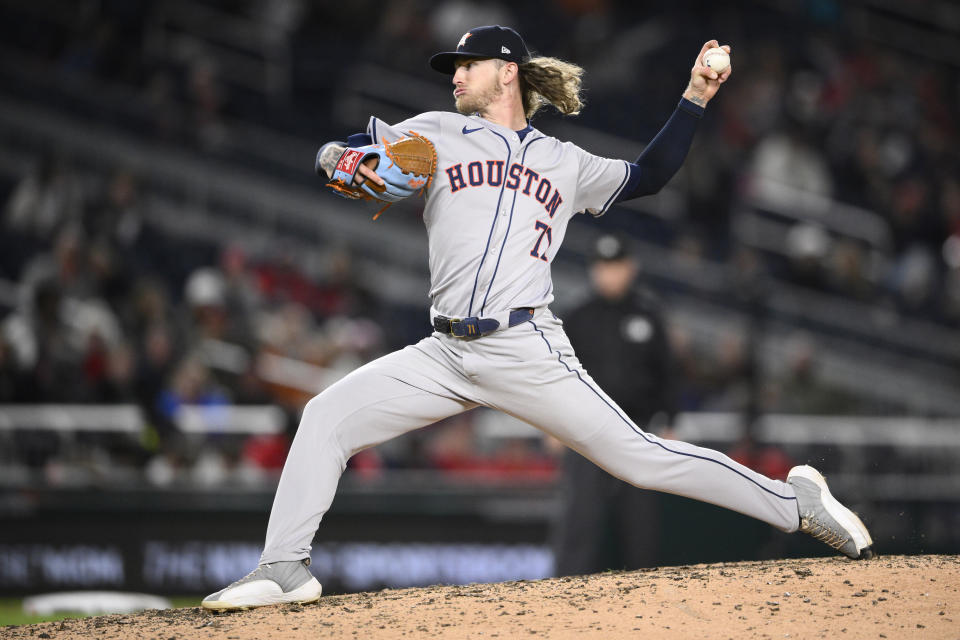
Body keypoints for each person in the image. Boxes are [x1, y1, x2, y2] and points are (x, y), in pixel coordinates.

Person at [202, 25, 872, 611]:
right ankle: (284, 567)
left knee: (639, 460)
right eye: (452, 68)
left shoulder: (564, 161)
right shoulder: (435, 132)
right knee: (325, 418)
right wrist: (337, 160)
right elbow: (353, 156)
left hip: (525, 347)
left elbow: (649, 176)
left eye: (466, 65)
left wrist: (696, 94)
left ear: (507, 72)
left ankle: (796, 503)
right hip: (444, 353)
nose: (455, 75)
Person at [552, 233, 675, 575]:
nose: (610, 274)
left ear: (630, 268)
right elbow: (556, 377)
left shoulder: (649, 314)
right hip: (585, 432)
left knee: (641, 523)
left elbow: (667, 372)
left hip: (638, 429)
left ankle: (646, 594)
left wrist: (670, 421)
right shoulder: (577, 317)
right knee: (581, 517)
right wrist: (553, 427)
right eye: (603, 266)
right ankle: (566, 594)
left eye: (616, 266)